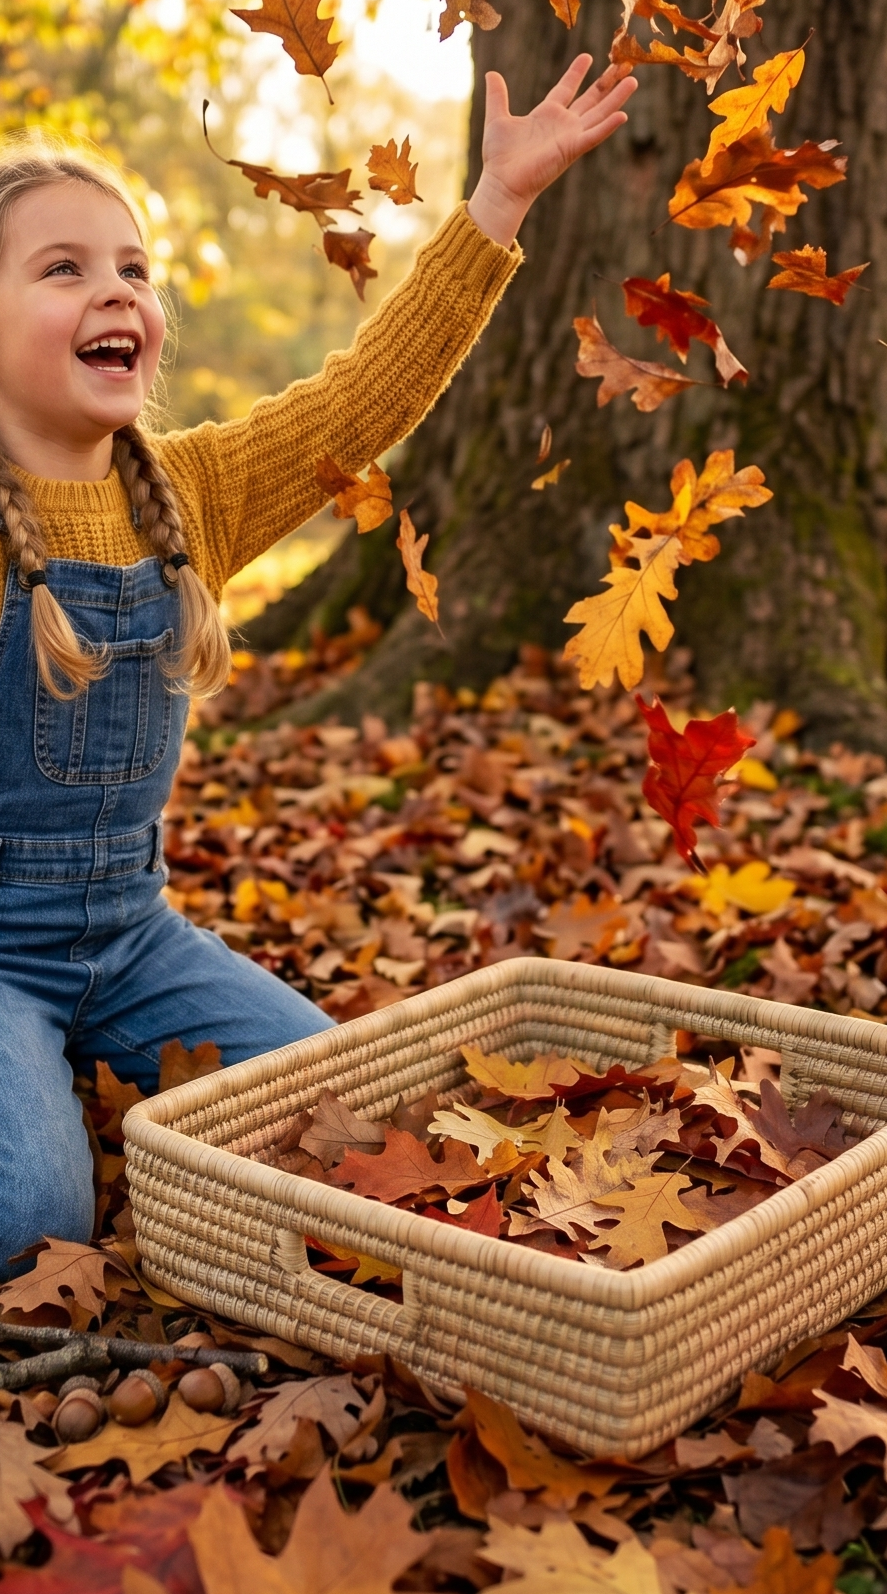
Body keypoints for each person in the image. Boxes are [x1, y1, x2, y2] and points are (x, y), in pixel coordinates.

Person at [0, 55, 637, 1273]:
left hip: (137, 941)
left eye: (134, 266)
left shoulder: (189, 490)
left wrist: (494, 205)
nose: (116, 289)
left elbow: (358, 405)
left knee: (354, 1125)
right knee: (32, 1220)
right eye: (64, 267)